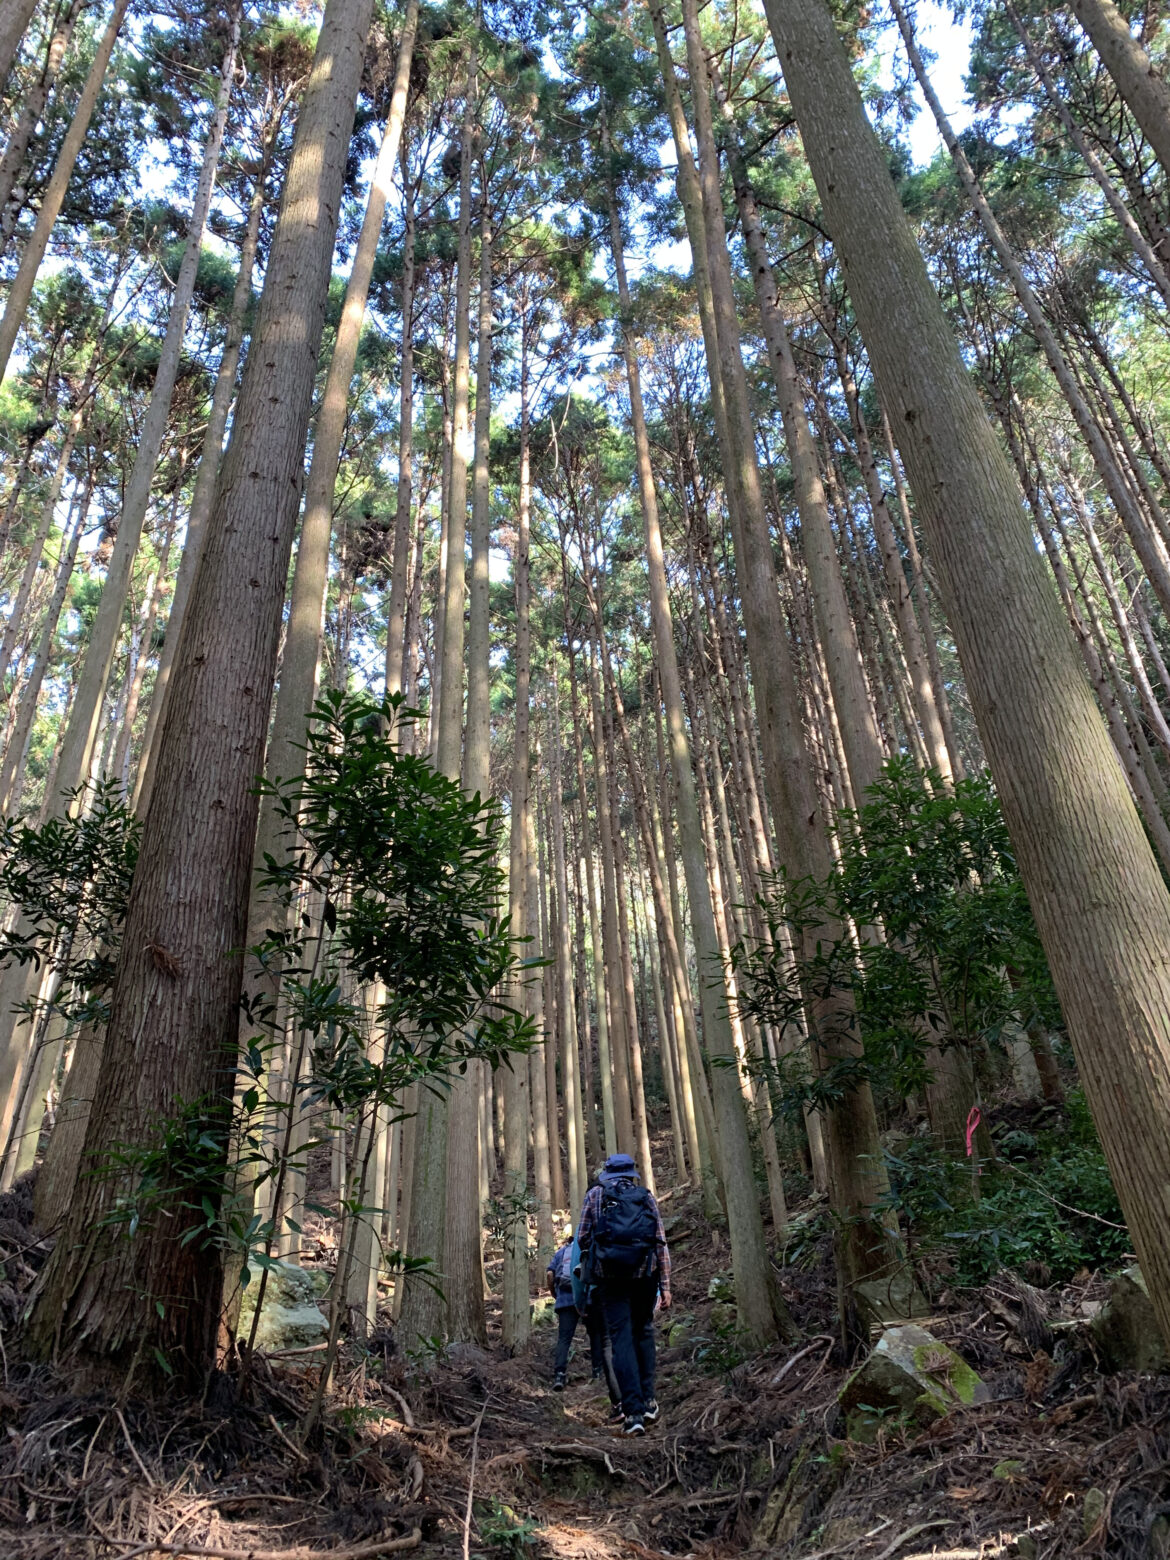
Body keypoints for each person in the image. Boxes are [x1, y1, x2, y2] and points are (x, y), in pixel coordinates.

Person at [576, 1152, 671, 1437]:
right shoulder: (645, 1196)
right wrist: (665, 1285)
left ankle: (633, 1413)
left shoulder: (595, 1195)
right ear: (631, 1174)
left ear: (607, 1174)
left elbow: (582, 1236)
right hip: (645, 1275)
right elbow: (660, 1241)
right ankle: (649, 1400)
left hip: (610, 1278)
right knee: (644, 1331)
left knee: (621, 1340)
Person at [546, 1222, 623, 1408]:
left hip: (564, 1300)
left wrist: (555, 1294)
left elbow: (549, 1274)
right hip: (587, 1299)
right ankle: (597, 1371)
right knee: (596, 1336)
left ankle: (559, 1375)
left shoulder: (561, 1252)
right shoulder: (588, 1247)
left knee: (564, 1338)